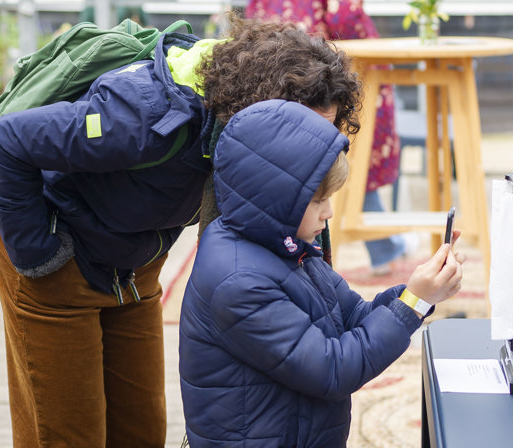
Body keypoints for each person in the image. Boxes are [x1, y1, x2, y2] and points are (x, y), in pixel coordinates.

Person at [0, 17, 363, 448]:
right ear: (259, 106)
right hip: (58, 253)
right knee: (69, 433)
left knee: (141, 430)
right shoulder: (137, 117)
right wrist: (39, 255)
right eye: (307, 134)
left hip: (134, 264)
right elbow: (7, 139)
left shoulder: (237, 134)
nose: (314, 148)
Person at [179, 99, 464, 447]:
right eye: (316, 200)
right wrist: (414, 303)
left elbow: (355, 316)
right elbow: (333, 369)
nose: (328, 212)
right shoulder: (238, 282)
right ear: (274, 196)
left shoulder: (285, 246)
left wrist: (418, 292)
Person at [246, 0, 417, 275]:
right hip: (317, 79)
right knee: (343, 161)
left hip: (267, 77)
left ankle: (383, 247)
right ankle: (328, 257)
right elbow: (347, 17)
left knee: (294, 167)